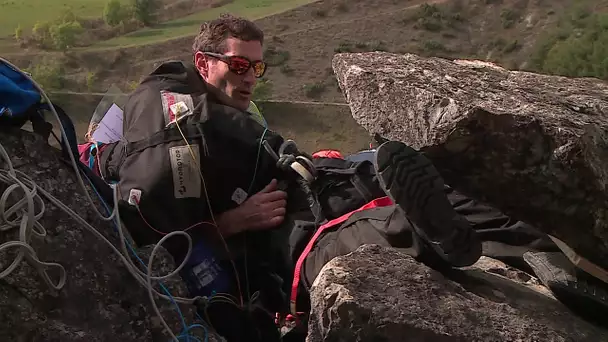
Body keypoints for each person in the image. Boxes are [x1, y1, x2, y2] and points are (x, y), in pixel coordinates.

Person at [95, 13, 564, 342]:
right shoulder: (173, 118)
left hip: (313, 186)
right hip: (282, 241)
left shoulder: (236, 116)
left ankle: (550, 251)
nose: (251, 77)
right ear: (204, 64)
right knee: (357, 237)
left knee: (442, 189)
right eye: (239, 66)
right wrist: (232, 222)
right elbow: (163, 237)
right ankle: (435, 231)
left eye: (257, 67)